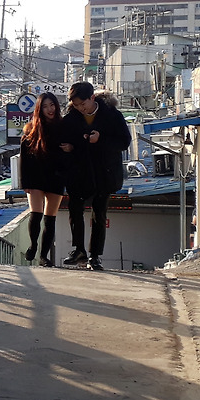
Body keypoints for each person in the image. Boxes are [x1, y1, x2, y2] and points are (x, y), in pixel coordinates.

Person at [59, 81, 132, 271]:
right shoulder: (71, 118)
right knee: (75, 209)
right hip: (79, 172)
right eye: (76, 105)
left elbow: (124, 141)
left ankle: (95, 255)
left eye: (83, 104)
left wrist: (101, 140)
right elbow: (65, 141)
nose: (80, 108)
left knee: (99, 213)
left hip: (104, 172)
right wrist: (71, 147)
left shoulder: (112, 115)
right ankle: (79, 250)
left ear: (92, 98)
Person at [18, 92, 66, 266]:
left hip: (56, 177)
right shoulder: (30, 129)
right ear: (39, 109)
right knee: (36, 214)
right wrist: (24, 183)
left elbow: (72, 152)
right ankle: (33, 245)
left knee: (50, 219)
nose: (49, 109)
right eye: (45, 106)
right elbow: (23, 158)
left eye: (52, 105)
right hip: (35, 177)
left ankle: (44, 256)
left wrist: (70, 148)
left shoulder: (64, 127)